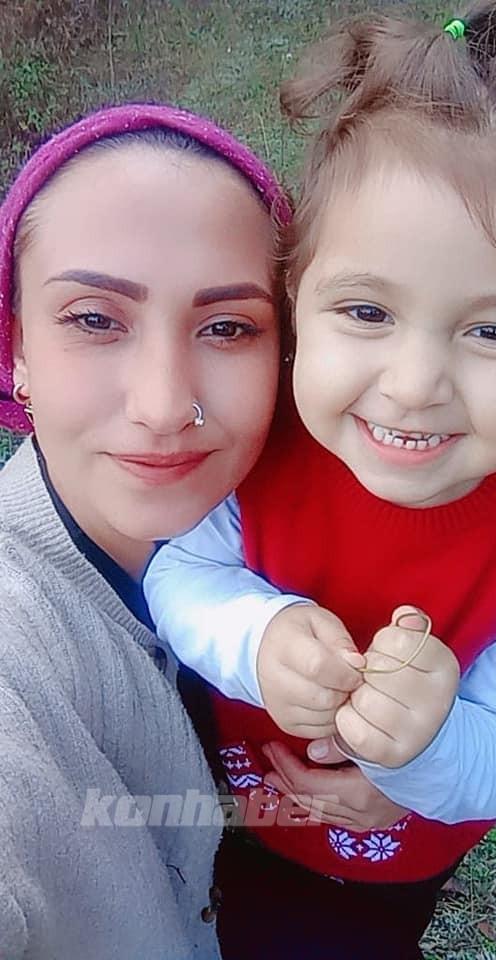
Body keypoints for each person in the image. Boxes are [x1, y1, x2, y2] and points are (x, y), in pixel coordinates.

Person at [144, 2, 496, 958]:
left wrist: (422, 751)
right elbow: (176, 574)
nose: (414, 385)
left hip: (381, 866)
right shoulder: (261, 446)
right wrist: (258, 634)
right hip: (216, 799)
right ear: (295, 299)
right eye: (367, 311)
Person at [0, 102, 290, 959]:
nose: (164, 407)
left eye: (228, 327)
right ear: (15, 351)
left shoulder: (305, 517)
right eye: (94, 319)